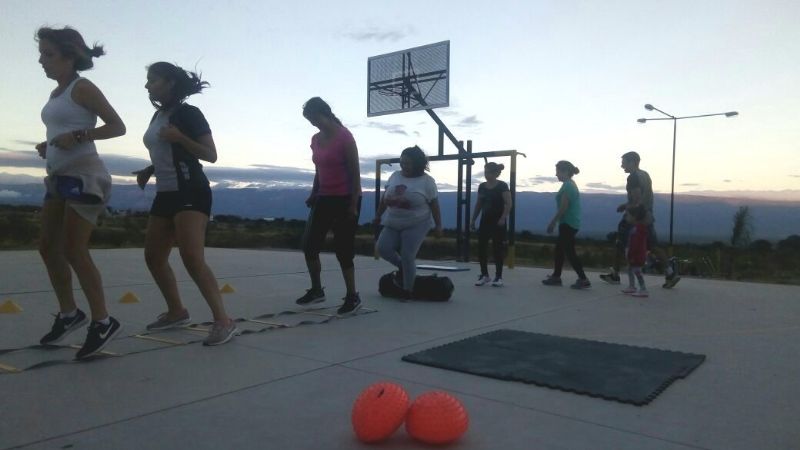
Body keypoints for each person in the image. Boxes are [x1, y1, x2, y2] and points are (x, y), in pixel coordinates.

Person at [35, 27, 127, 359]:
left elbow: (117, 126)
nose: (42, 60)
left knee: (74, 250)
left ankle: (103, 321)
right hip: (59, 176)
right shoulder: (57, 93)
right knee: (48, 247)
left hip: (85, 176)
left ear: (69, 55)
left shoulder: (82, 87)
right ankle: (70, 314)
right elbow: (64, 128)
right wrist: (50, 143)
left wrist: (77, 136)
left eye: (48, 54)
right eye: (42, 53)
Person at [133, 62, 237, 345]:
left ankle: (223, 321)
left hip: (192, 190)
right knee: (153, 257)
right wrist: (149, 169)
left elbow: (210, 154)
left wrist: (180, 137)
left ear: (169, 82)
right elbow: (165, 152)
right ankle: (177, 312)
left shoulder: (189, 113)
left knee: (191, 257)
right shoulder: (159, 114)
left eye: (152, 80)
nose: (147, 86)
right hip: (166, 193)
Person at [296, 97, 363, 315]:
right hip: (323, 197)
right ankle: (317, 290)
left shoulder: (345, 137)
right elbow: (319, 170)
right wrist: (314, 193)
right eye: (309, 120)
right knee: (309, 245)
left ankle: (352, 296)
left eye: (314, 118)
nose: (312, 123)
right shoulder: (315, 139)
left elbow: (355, 175)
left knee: (343, 250)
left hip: (345, 198)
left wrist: (353, 204)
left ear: (324, 113)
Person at [599, 151, 680, 288]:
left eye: (624, 163)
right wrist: (625, 205)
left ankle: (615, 274)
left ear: (632, 162)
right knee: (653, 246)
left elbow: (636, 199)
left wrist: (628, 208)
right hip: (647, 215)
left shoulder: (633, 178)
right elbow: (643, 197)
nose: (622, 166)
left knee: (620, 244)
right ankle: (670, 273)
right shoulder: (645, 175)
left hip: (634, 218)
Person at [374, 146, 443, 298]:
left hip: (417, 223)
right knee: (383, 248)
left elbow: (434, 204)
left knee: (407, 255)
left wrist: (439, 225)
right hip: (393, 221)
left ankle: (408, 290)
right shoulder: (395, 176)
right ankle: (403, 268)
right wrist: (378, 215)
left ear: (417, 164)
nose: (404, 166)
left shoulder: (427, 181)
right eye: (402, 162)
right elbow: (385, 198)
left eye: (408, 163)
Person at [542, 160, 591, 289]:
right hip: (569, 222)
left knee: (569, 252)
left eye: (558, 171)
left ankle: (583, 279)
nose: (556, 174)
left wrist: (552, 222)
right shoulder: (569, 184)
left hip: (568, 223)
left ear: (565, 172)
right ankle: (556, 276)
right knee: (561, 250)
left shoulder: (568, 186)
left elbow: (564, 207)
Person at [470, 162, 512, 287]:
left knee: (497, 249)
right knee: (481, 248)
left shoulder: (502, 186)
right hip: (485, 220)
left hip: (498, 221)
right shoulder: (482, 186)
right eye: (485, 172)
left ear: (495, 173)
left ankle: (498, 276)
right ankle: (484, 275)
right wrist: (473, 219)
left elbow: (509, 203)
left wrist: (503, 218)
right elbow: (479, 204)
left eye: (488, 172)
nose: (486, 174)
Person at [622, 205, 649, 297]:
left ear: (634, 217)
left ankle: (643, 289)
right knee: (630, 269)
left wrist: (631, 255)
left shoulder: (637, 230)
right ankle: (632, 286)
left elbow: (635, 245)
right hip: (636, 254)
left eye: (628, 215)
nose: (626, 217)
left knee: (637, 271)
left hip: (636, 256)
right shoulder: (638, 229)